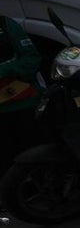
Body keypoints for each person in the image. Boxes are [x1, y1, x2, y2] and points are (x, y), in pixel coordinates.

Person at [0, 15, 44, 183]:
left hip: (21, 104)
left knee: (33, 156)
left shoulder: (5, 24)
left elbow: (32, 58)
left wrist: (5, 69)